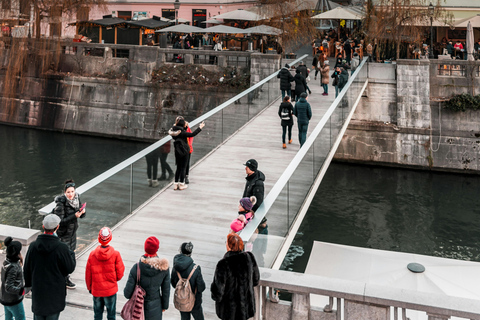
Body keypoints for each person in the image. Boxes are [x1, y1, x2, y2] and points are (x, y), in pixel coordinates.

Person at [24, 214, 76, 320]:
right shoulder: (62, 248)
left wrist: (28, 285)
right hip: (55, 294)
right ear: (57, 227)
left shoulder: (33, 246)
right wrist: (71, 254)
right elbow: (69, 268)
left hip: (38, 292)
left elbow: (27, 268)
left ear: (43, 227)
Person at [211, 233, 260, 320]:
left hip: (229, 311)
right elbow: (256, 280)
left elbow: (217, 293)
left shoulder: (223, 264)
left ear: (229, 246)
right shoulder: (249, 257)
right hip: (245, 307)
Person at [124, 236, 170, 320]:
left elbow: (127, 294)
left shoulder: (136, 268)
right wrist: (164, 306)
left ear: (145, 248)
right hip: (156, 308)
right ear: (157, 249)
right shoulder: (164, 269)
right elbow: (166, 291)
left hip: (138, 310)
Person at [85, 227, 125, 320]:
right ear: (110, 238)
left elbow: (88, 274)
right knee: (111, 314)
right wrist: (113, 279)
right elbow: (120, 273)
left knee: (97, 314)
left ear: (99, 238)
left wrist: (90, 288)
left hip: (97, 290)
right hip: (110, 290)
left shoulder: (92, 254)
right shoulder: (115, 254)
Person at [53, 179, 85, 289]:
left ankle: (64, 276)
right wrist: (74, 216)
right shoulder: (61, 203)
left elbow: (80, 216)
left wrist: (82, 213)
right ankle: (64, 279)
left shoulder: (76, 199)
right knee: (64, 257)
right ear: (65, 193)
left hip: (72, 233)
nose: (71, 194)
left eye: (72, 191)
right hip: (64, 234)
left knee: (70, 255)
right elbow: (60, 221)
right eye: (68, 192)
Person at [171, 242, 206, 320]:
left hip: (182, 300)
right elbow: (201, 288)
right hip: (195, 302)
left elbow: (173, 284)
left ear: (181, 251)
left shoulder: (175, 267)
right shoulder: (196, 268)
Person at [169, 119, 205, 190]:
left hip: (177, 151)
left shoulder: (174, 132)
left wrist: (184, 126)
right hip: (184, 151)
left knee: (178, 168)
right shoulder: (182, 133)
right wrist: (200, 127)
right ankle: (182, 184)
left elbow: (182, 131)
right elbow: (192, 134)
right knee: (183, 168)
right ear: (183, 125)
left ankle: (176, 184)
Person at [0, 237, 26, 320]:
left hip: (5, 297)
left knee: (8, 317)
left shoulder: (6, 262)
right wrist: (22, 291)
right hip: (13, 300)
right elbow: (9, 287)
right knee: (21, 318)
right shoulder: (13, 267)